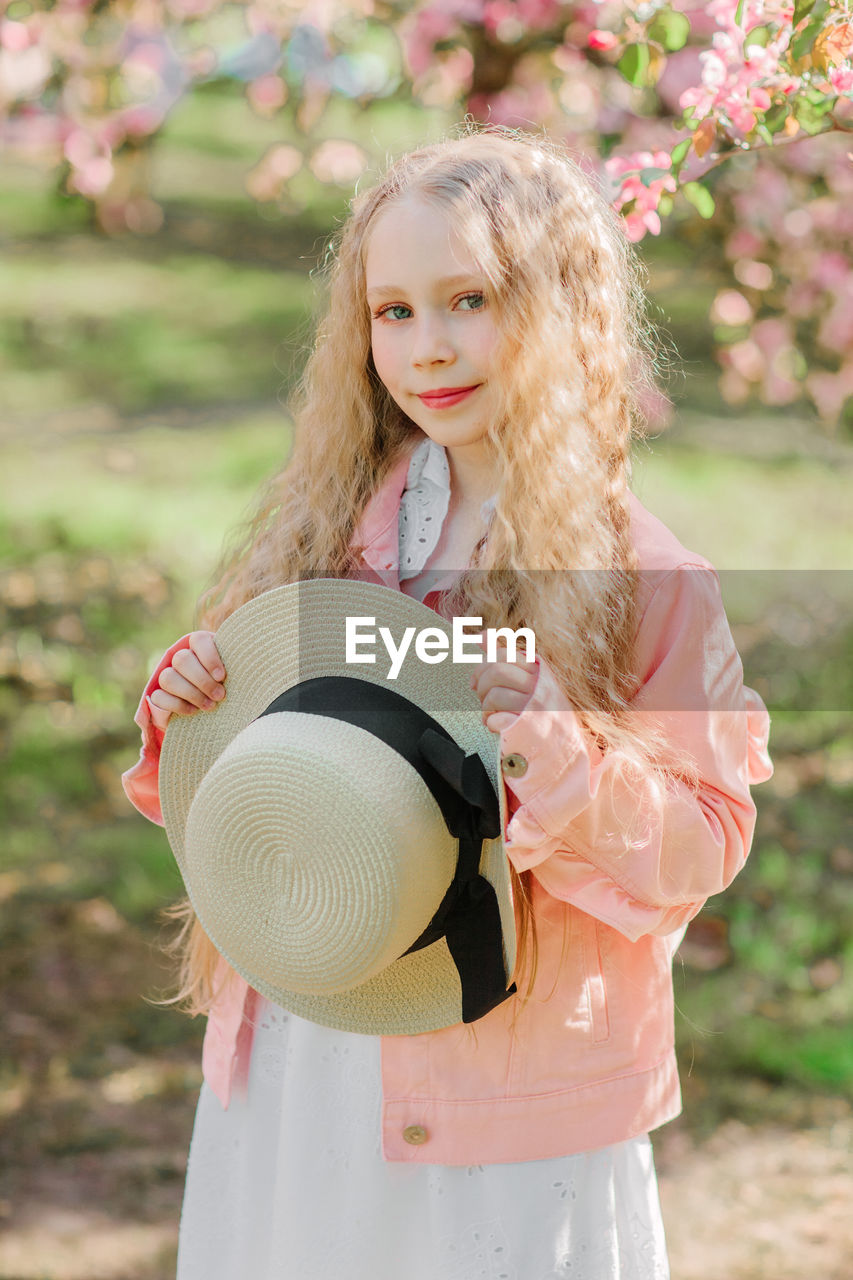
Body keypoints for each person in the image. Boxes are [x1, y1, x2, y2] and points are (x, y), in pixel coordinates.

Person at [122, 122, 773, 1279]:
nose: (428, 347)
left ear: (559, 306)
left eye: (468, 298)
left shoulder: (642, 577)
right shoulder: (328, 537)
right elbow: (271, 797)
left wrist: (558, 758)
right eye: (394, 311)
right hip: (306, 1052)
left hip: (506, 1102)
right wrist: (197, 711)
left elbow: (705, 839)